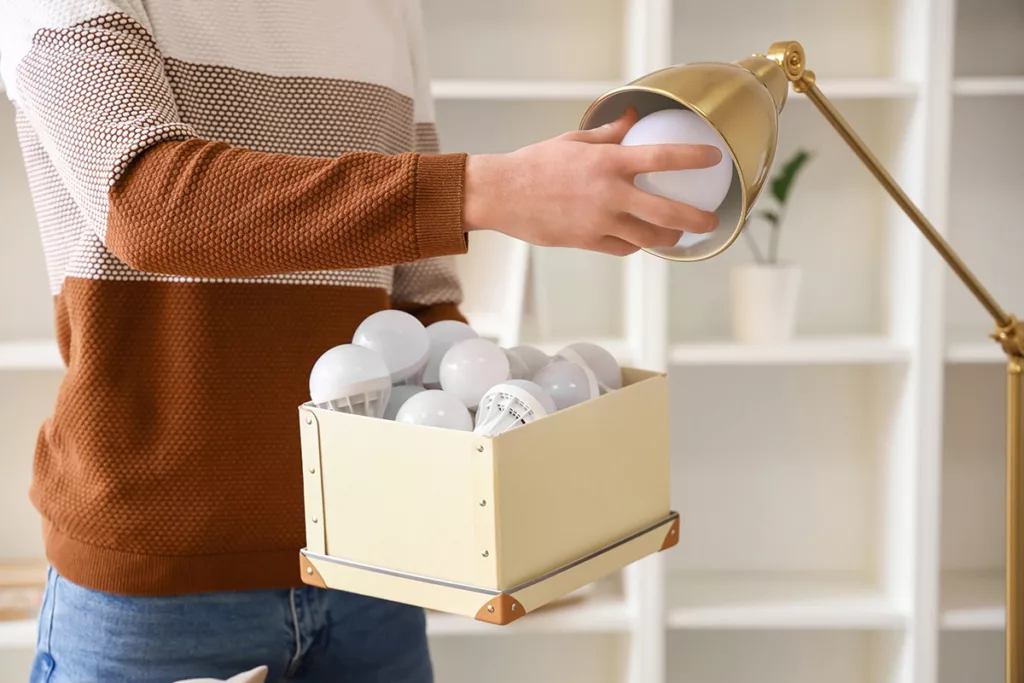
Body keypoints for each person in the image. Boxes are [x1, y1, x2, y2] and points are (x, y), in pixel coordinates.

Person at [0, 1, 721, 681]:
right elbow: (151, 203)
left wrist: (514, 469)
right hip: (159, 585)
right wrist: (492, 189)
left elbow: (417, 293)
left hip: (375, 565)